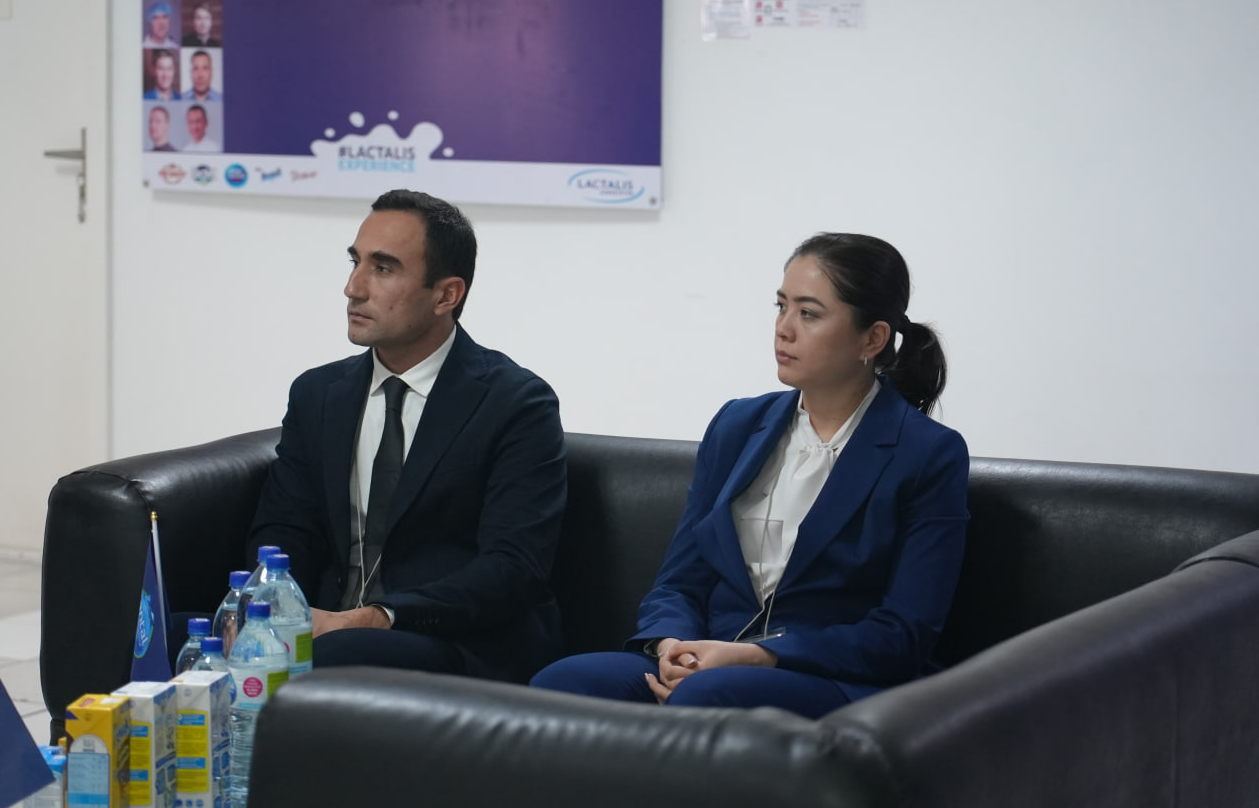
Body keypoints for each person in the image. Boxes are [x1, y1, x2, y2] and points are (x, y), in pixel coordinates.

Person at [531, 233, 969, 718]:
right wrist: (674, 647)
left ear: (873, 339)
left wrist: (755, 656)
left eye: (809, 313)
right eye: (781, 306)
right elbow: (679, 581)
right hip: (712, 661)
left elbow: (903, 633)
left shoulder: (928, 453)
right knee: (561, 683)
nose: (784, 329)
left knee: (707, 697)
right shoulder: (737, 425)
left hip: (830, 676)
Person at [244, 189, 568, 683]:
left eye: (383, 268)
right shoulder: (318, 394)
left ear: (446, 295)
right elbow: (285, 528)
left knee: (335, 657)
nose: (353, 288)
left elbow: (513, 567)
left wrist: (377, 617)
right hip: (330, 626)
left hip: (453, 641)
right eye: (355, 262)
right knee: (168, 633)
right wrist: (274, 615)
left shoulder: (516, 403)